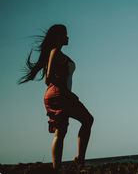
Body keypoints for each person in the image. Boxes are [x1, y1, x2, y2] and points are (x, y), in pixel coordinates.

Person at [19, 24, 94, 171]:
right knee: (87, 120)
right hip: (59, 93)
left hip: (57, 94)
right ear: (58, 37)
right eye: (65, 34)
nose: (68, 37)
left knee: (61, 131)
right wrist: (66, 91)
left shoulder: (57, 53)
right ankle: (79, 160)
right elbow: (48, 77)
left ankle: (58, 168)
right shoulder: (54, 52)